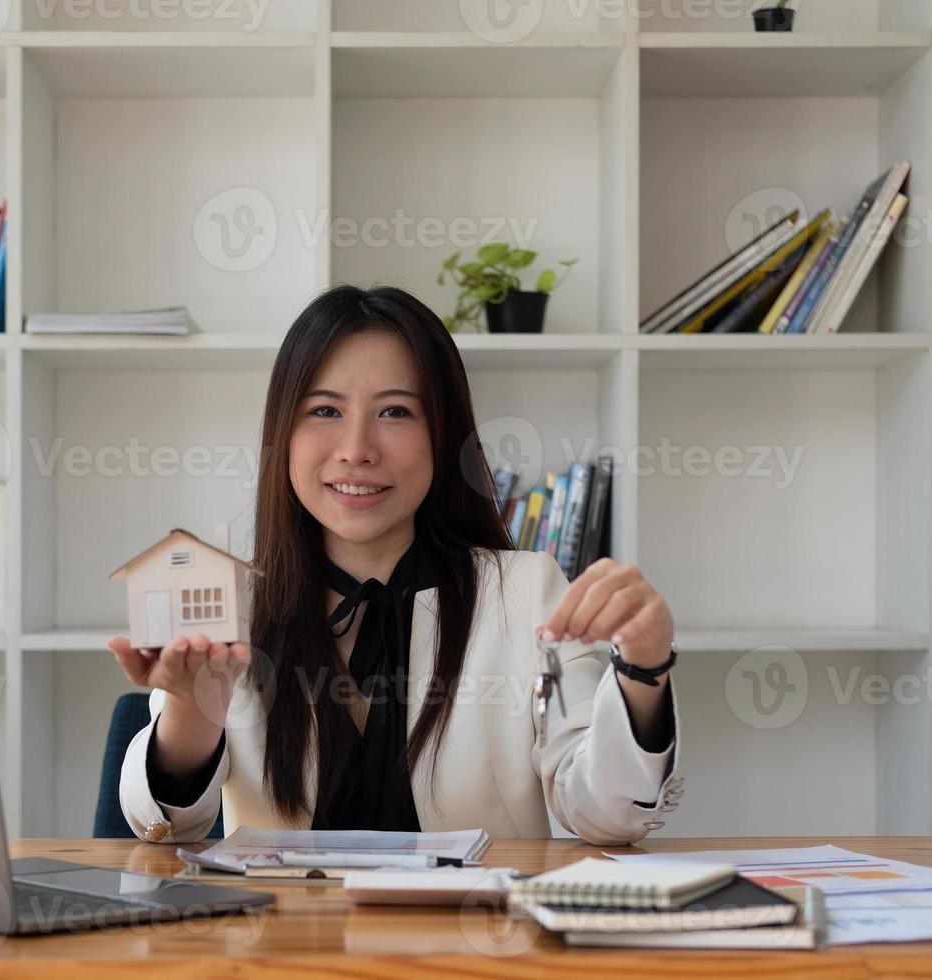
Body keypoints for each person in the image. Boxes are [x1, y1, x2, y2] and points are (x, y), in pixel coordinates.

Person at [109, 285, 681, 845]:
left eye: (395, 411)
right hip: (283, 937)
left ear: (443, 435)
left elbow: (610, 815)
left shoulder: (525, 592)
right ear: (283, 432)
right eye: (325, 409)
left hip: (479, 933)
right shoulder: (231, 598)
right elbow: (166, 826)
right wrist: (191, 709)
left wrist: (644, 668)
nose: (357, 448)